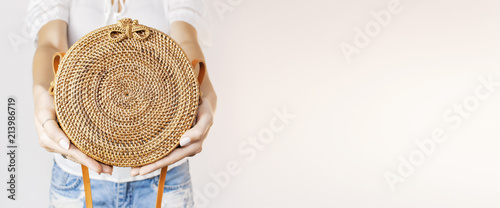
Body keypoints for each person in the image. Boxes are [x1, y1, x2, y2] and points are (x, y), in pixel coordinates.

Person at [27, 0, 217, 207]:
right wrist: (41, 95)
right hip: (77, 179)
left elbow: (185, 43)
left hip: (165, 176)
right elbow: (51, 44)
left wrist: (203, 98)